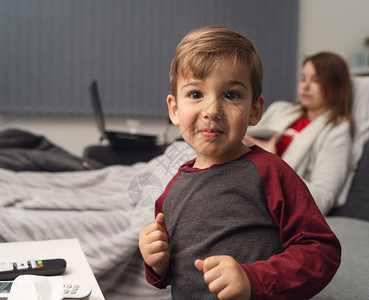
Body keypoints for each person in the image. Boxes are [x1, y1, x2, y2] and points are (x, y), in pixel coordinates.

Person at [138, 26, 341, 299]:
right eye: (196, 94)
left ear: (255, 110)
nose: (211, 111)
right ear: (174, 109)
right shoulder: (170, 192)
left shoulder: (271, 172)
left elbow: (322, 250)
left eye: (231, 95)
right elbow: (173, 273)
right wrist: (156, 263)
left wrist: (252, 279)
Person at [244, 52, 353, 215]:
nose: (305, 86)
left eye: (316, 80)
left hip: (264, 195)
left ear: (336, 86)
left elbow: (323, 200)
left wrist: (272, 161)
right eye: (303, 79)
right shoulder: (281, 109)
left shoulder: (336, 131)